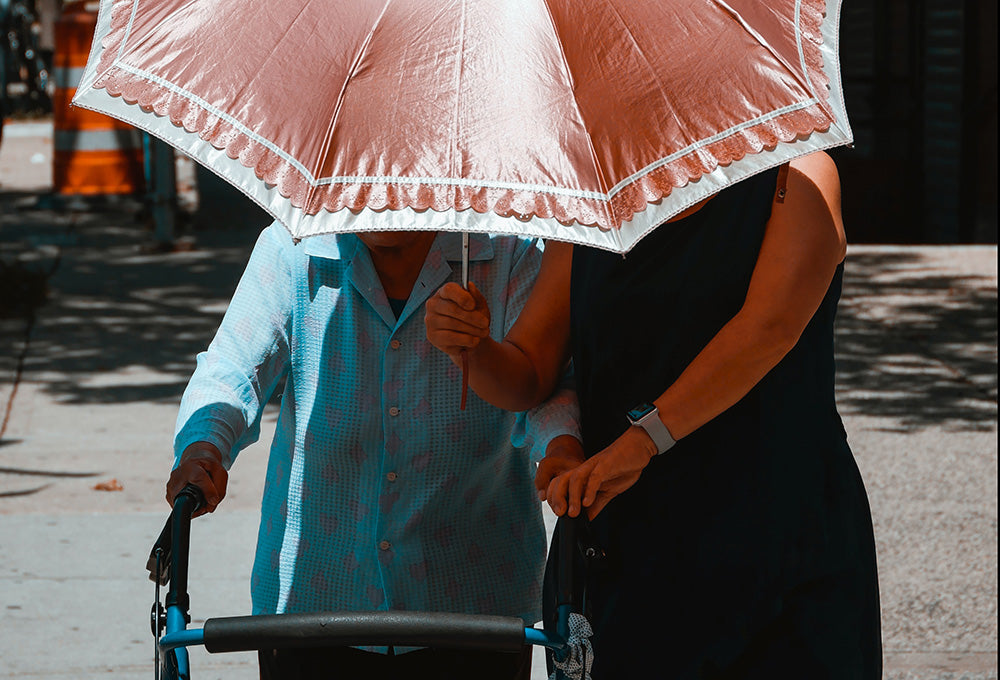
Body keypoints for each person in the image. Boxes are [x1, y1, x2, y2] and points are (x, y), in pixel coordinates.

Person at [425, 151, 883, 678]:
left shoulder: (797, 173)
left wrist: (641, 441)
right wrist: (474, 348)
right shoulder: (590, 203)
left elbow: (767, 330)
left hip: (779, 533)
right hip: (629, 546)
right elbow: (530, 373)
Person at [166, 224, 581, 680]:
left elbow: (545, 381)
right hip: (314, 601)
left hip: (474, 595)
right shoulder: (294, 249)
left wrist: (561, 448)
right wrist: (205, 446)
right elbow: (233, 366)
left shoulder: (509, 253)